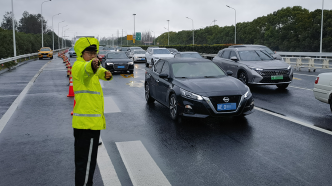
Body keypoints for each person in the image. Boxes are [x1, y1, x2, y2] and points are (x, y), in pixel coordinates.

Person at [72, 37, 112, 186]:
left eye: (94, 53)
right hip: (86, 125)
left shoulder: (91, 65)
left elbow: (98, 70)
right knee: (86, 165)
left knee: (86, 163)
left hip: (90, 124)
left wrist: (106, 73)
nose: (93, 56)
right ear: (81, 54)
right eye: (89, 53)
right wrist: (92, 64)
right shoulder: (78, 66)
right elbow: (87, 70)